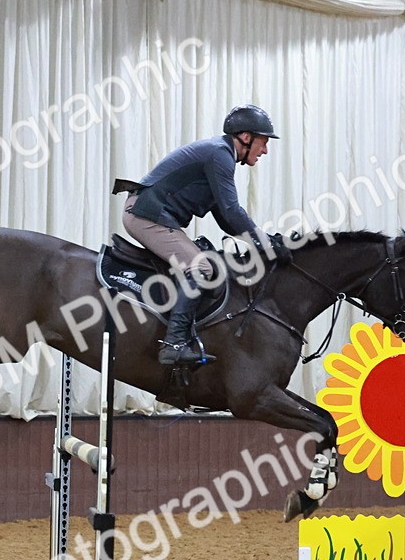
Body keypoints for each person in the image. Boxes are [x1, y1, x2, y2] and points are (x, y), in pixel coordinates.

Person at [119, 104, 292, 365]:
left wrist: (261, 240)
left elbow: (225, 218)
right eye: (263, 142)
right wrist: (265, 242)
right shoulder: (220, 155)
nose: (265, 150)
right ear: (246, 137)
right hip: (145, 215)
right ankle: (173, 344)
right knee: (201, 268)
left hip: (149, 214)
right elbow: (233, 211)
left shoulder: (219, 155)